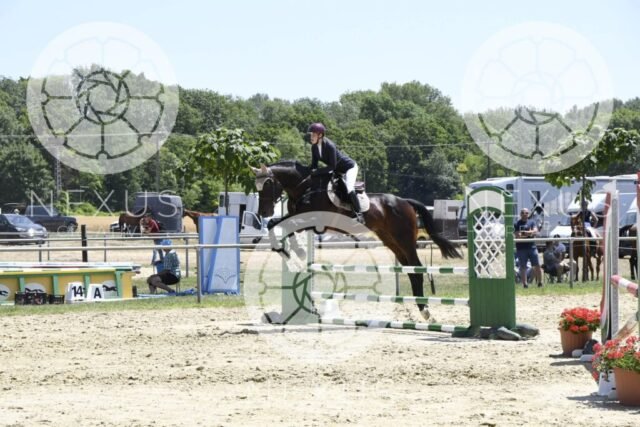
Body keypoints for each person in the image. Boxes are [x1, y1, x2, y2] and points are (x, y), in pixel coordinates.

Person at [307, 122, 363, 223]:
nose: (311, 137)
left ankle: (359, 214)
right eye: (311, 134)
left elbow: (332, 166)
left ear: (320, 135)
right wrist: (306, 171)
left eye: (313, 134)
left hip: (349, 168)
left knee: (349, 188)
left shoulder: (330, 146)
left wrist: (317, 171)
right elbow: (314, 165)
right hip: (337, 170)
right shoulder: (314, 147)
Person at [514, 208, 542, 288]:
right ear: (520, 214)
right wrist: (529, 233)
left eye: (526, 213)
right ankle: (525, 284)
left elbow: (535, 231)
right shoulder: (517, 223)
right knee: (523, 266)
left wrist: (526, 233)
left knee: (537, 265)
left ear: (528, 214)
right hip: (521, 248)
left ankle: (540, 282)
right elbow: (517, 235)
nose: (524, 214)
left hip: (532, 247)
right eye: (523, 212)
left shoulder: (532, 222)